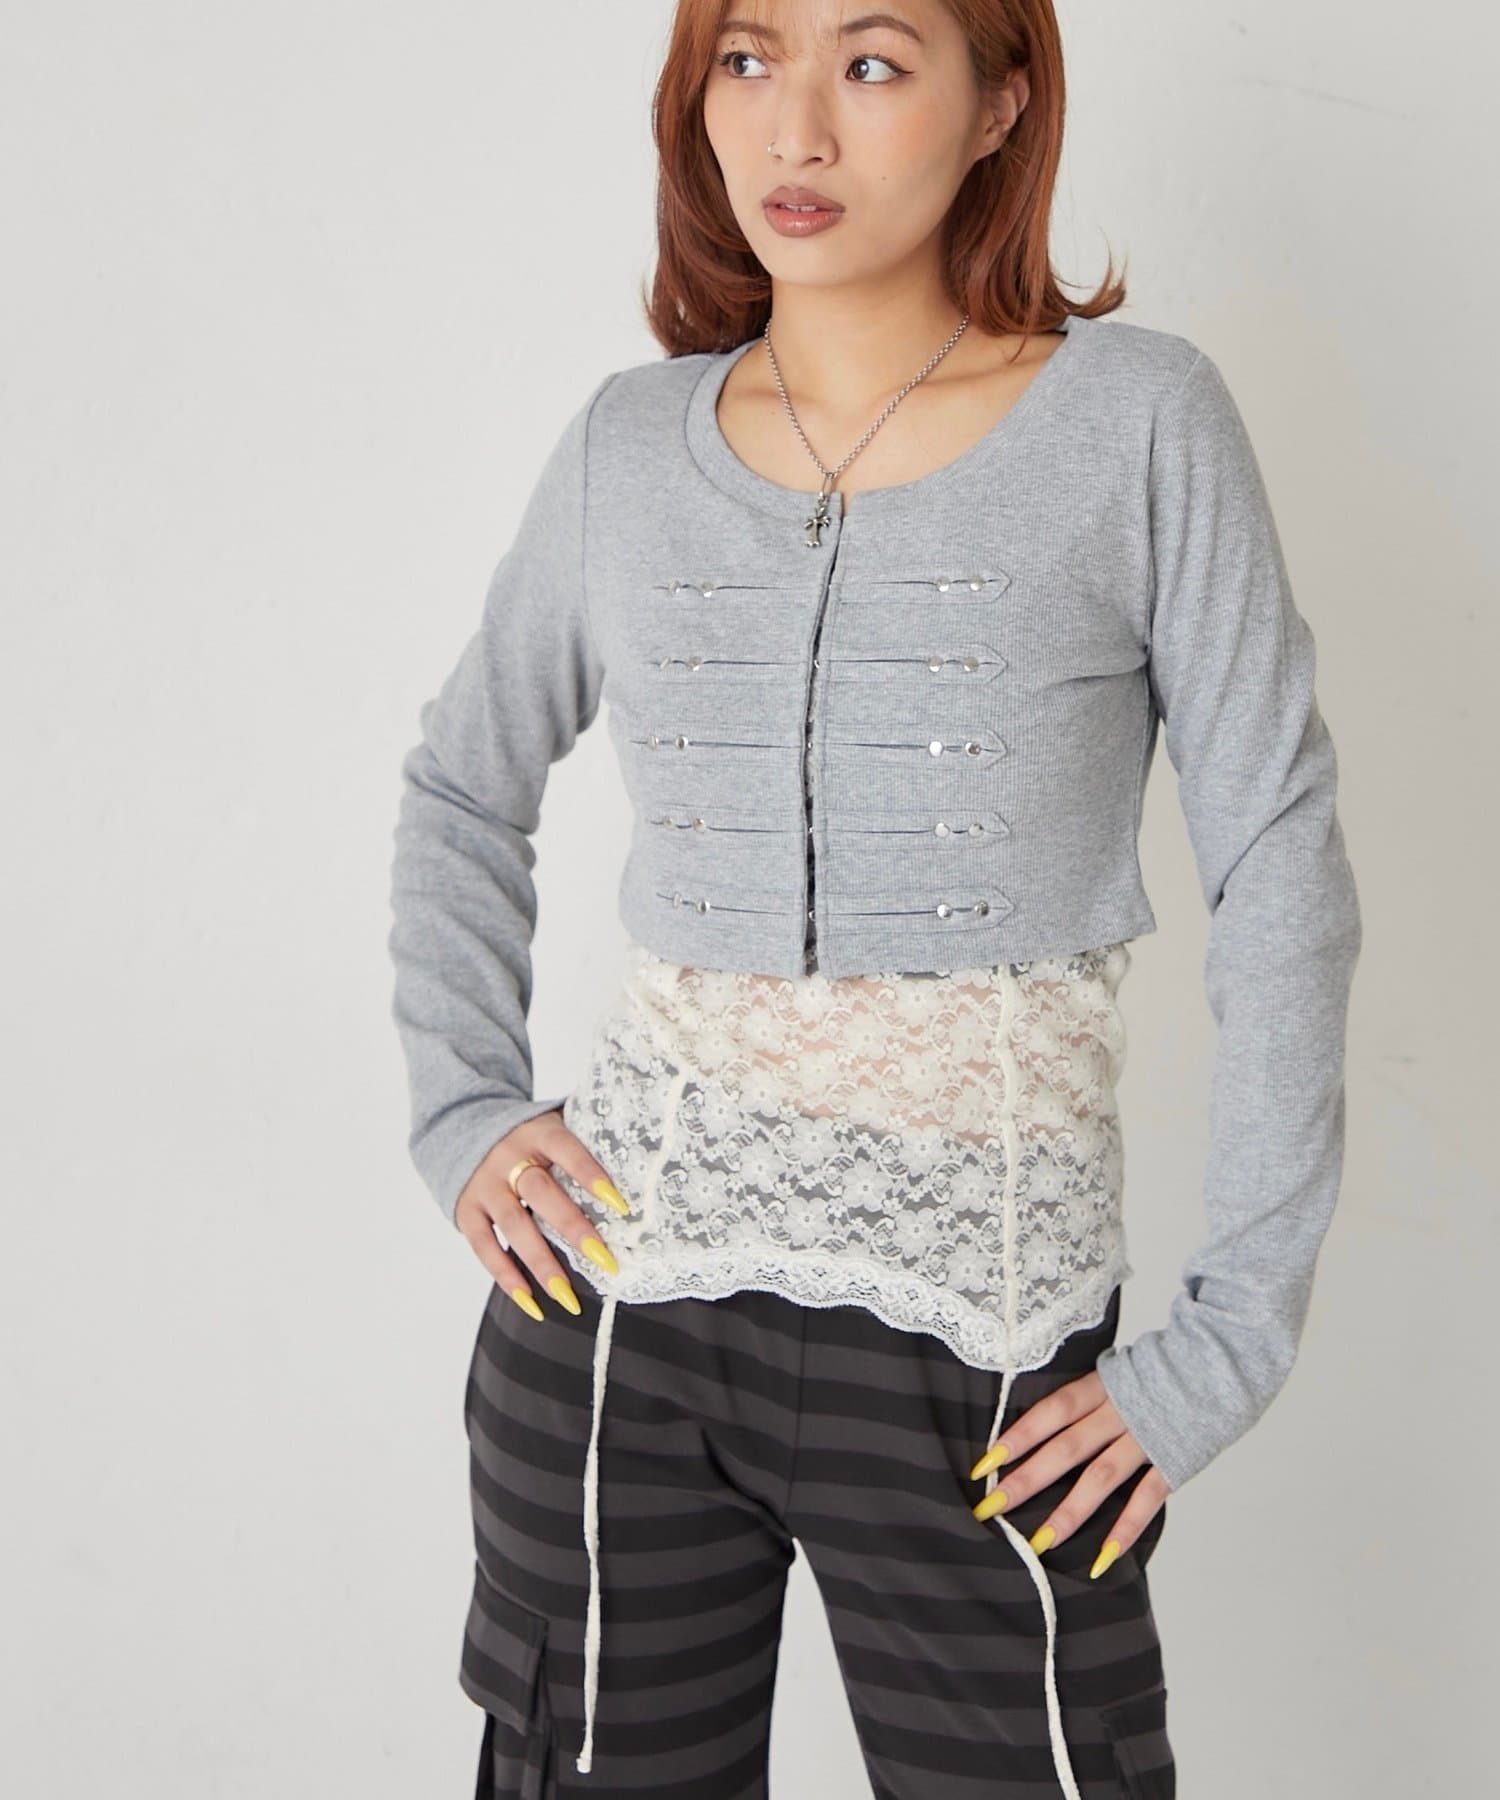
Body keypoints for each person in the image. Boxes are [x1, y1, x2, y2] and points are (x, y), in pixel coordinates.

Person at [386, 2, 1363, 1794]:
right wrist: (465, 1109)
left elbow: (1280, 860)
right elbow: (461, 784)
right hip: (614, 1316)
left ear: (1002, 104)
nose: (797, 131)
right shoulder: (626, 444)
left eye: (876, 62)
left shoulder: (1139, 424)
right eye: (748, 60)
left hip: (987, 1352)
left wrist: (1232, 1339)